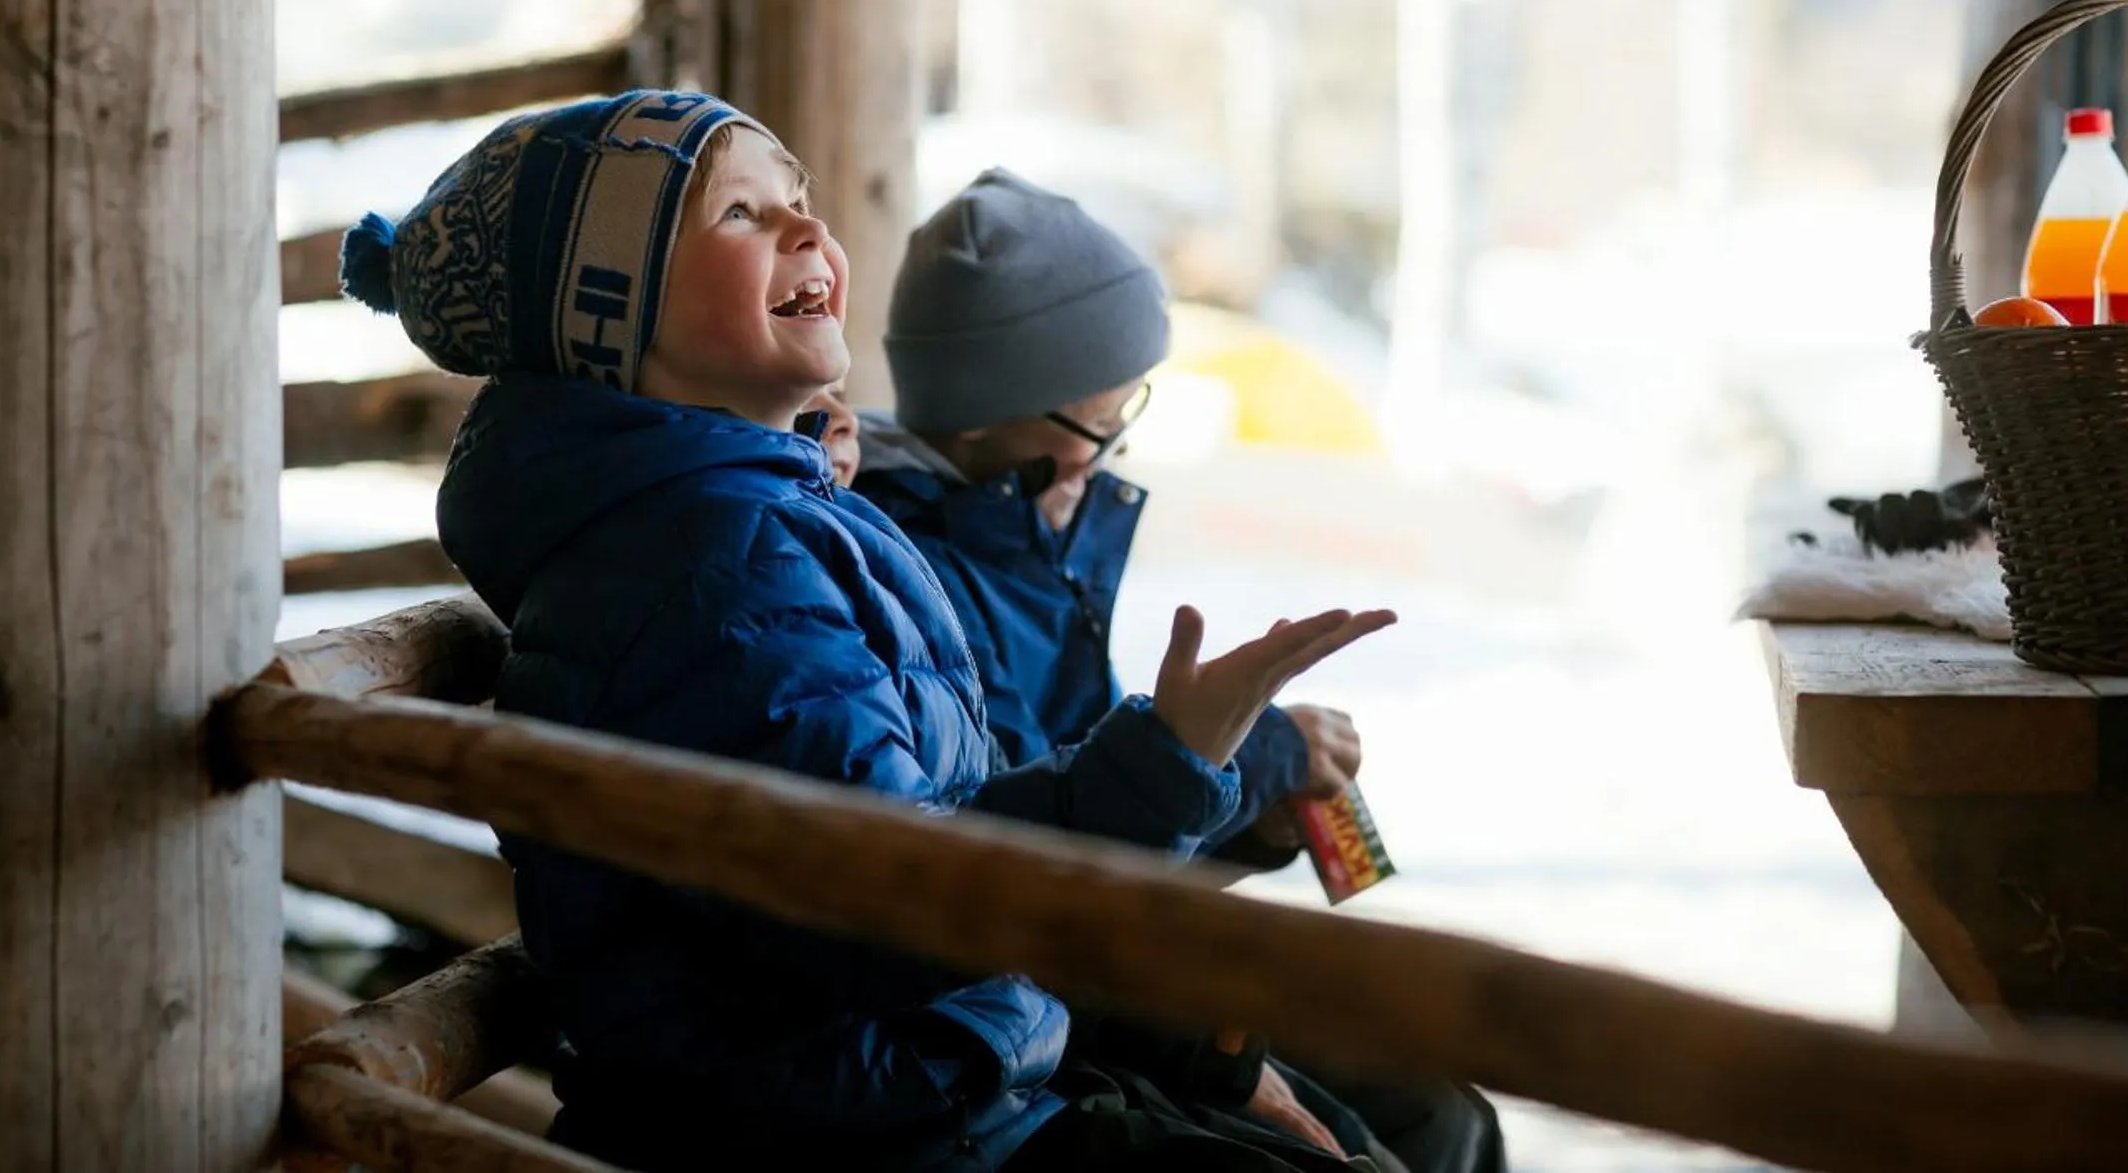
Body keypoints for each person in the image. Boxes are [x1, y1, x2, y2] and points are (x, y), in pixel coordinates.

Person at [337, 93, 1393, 1172]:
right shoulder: (710, 571)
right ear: (611, 317)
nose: (806, 230)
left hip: (939, 1080)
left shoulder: (760, 521)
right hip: (876, 1126)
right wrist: (1176, 757)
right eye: (740, 214)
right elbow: (873, 902)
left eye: (799, 200)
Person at [856, 169, 1506, 1173]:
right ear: (981, 408)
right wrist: (1245, 769)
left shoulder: (1026, 536)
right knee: (1401, 1136)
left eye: (1130, 412)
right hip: (1035, 1029)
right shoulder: (927, 572)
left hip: (1100, 985)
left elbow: (1100, 815)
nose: (1114, 446)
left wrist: (1245, 810)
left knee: (1442, 1109)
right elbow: (1033, 868)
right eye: (1093, 426)